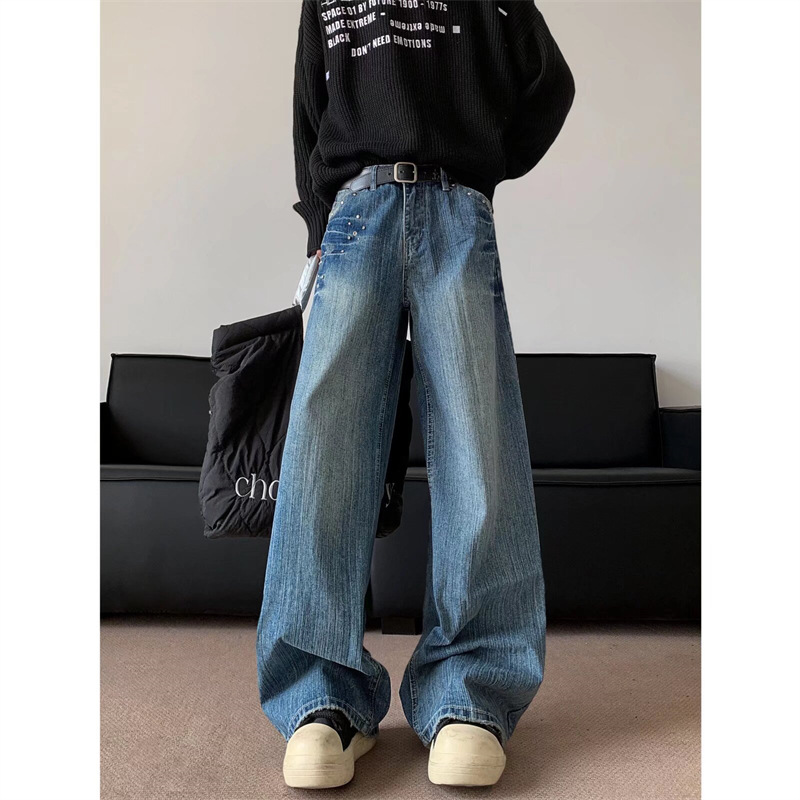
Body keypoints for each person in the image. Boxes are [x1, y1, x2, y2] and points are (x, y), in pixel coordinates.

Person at [257, 0, 574, 788]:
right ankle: (336, 703)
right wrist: (320, 223)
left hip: (429, 212)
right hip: (373, 214)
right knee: (337, 456)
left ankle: (451, 698)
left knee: (463, 450)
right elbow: (308, 105)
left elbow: (549, 84)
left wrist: (486, 158)